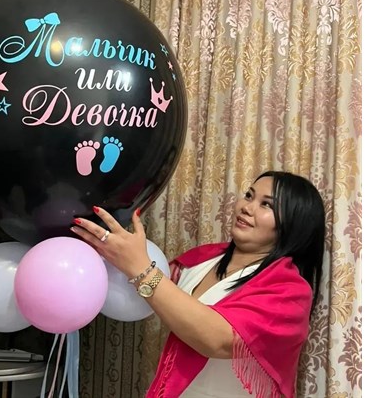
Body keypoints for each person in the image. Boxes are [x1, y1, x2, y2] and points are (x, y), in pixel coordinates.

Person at [71, 170, 326, 397]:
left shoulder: (290, 291)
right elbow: (154, 295)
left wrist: (141, 270)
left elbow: (216, 340)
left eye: (266, 205)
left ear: (293, 224)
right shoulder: (201, 259)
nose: (247, 207)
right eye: (249, 195)